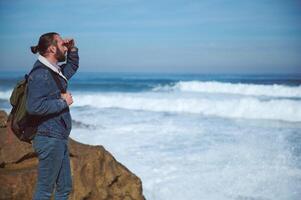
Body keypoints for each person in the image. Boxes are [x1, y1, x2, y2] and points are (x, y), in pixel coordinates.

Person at [26, 32, 79, 200]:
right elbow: (34, 107)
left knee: (64, 188)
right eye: (61, 43)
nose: (64, 45)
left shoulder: (53, 71)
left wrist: (72, 49)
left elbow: (71, 67)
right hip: (48, 137)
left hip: (58, 136)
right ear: (51, 48)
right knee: (45, 189)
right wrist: (63, 102)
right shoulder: (41, 74)